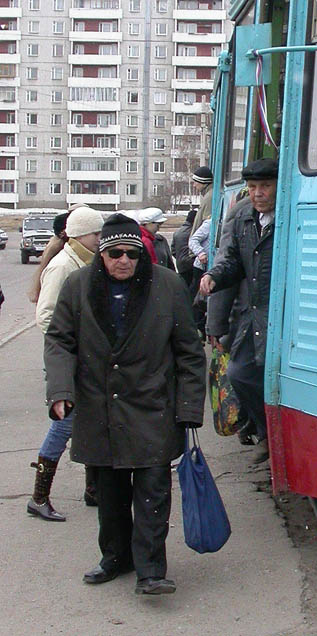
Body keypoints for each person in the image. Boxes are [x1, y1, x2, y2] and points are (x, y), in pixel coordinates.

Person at [44, 213, 206, 595]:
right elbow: (59, 341)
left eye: (132, 254)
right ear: (101, 253)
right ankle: (115, 558)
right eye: (115, 253)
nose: (124, 261)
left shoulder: (167, 286)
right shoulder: (77, 285)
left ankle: (151, 569)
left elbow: (189, 353)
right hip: (99, 408)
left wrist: (188, 409)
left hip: (152, 407)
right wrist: (60, 392)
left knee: (153, 492)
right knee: (110, 495)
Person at [27, 206, 105, 521]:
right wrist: (70, 347)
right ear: (78, 235)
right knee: (65, 423)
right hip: (68, 361)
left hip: (84, 359)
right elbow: (46, 316)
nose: (100, 240)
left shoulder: (84, 261)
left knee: (92, 419)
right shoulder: (63, 266)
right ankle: (38, 496)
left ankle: (93, 490)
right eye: (96, 234)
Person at [199, 159, 277, 463]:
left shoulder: (292, 214)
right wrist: (215, 277)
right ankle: (265, 430)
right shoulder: (241, 216)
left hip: (281, 317)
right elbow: (229, 259)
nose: (258, 193)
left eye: (265, 186)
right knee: (240, 373)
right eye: (253, 187)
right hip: (252, 316)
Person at [171, 208, 197, 288]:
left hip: (180, 265)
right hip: (191, 264)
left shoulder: (177, 232)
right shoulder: (194, 232)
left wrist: (180, 257)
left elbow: (173, 250)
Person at [191, 165, 214, 232]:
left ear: (203, 182)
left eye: (195, 182)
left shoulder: (209, 198)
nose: (194, 185)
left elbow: (205, 227)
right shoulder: (209, 195)